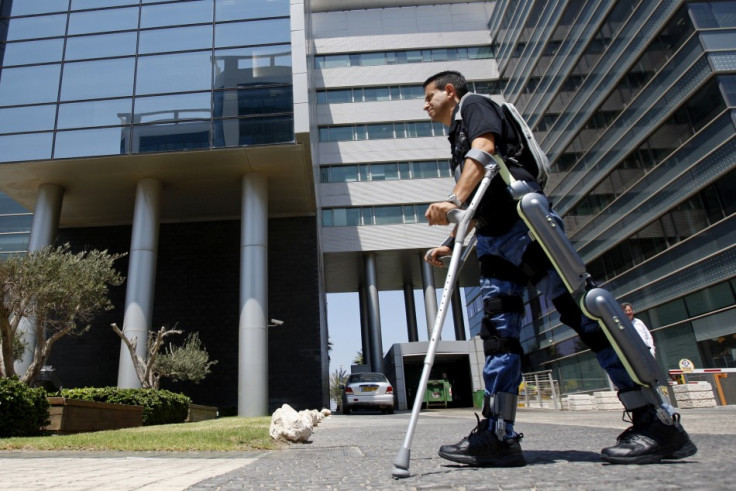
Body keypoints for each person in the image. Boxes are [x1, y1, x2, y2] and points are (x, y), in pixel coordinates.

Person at [421, 70, 695, 467]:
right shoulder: (454, 136)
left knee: (583, 311)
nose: (425, 104)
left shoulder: (475, 106)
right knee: (499, 334)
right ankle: (498, 432)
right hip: (496, 238)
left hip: (526, 225)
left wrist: (453, 201)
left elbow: (484, 149)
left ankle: (657, 422)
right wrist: (450, 242)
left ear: (450, 91)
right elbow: (482, 201)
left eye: (429, 95)